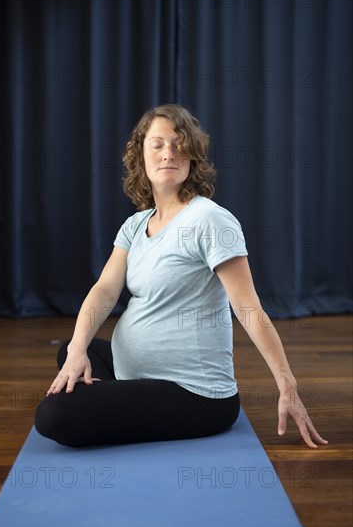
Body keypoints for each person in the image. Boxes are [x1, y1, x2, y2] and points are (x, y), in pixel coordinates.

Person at [35, 104, 328, 449]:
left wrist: (287, 386)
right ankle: (116, 393)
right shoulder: (136, 224)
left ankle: (112, 398)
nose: (168, 153)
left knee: (53, 415)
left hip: (195, 394)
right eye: (157, 145)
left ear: (193, 156)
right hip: (140, 374)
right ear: (140, 157)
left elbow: (250, 310)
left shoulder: (209, 220)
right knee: (72, 349)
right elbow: (104, 289)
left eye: (178, 144)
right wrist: (78, 351)